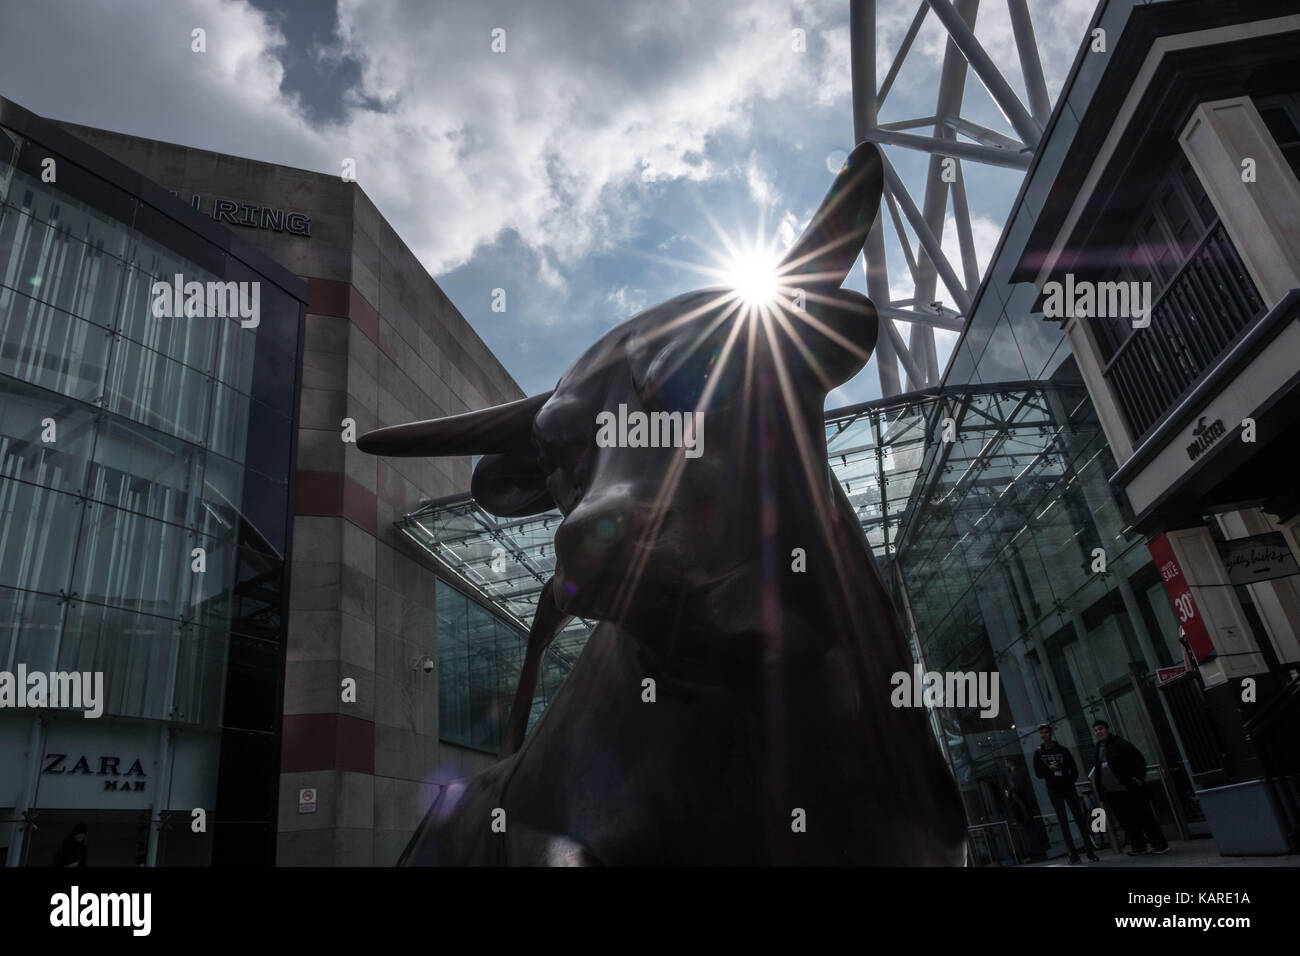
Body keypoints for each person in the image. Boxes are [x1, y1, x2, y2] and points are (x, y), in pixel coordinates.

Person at [1091, 720, 1169, 856]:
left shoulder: (1120, 744)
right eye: (1096, 730)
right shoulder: (1098, 747)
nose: (1098, 732)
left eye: (1101, 729)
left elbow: (1138, 759)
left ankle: (1160, 845)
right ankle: (1139, 847)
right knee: (1127, 822)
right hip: (1112, 793)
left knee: (1144, 818)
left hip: (1128, 789)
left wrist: (1138, 778)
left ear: (1107, 729)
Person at [1032, 723, 1097, 863]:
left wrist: (1068, 781)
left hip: (1067, 788)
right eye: (1042, 733)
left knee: (1079, 819)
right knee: (1063, 822)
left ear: (1050, 733)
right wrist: (1049, 770)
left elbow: (1073, 769)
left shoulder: (1062, 750)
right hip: (1054, 790)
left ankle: (1090, 851)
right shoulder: (1039, 753)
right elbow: (1038, 773)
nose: (1044, 735)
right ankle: (1073, 855)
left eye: (1046, 732)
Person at [1004, 759, 1046, 862]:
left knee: (1030, 832)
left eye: (1007, 763)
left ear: (1010, 763)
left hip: (1023, 808)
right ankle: (1039, 853)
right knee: (1031, 830)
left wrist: (1009, 792)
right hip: (1027, 807)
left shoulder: (1016, 775)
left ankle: (1037, 854)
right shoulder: (1023, 773)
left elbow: (1019, 790)